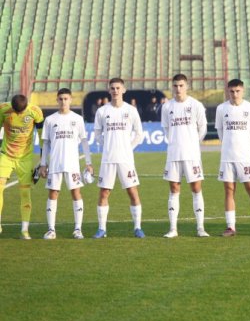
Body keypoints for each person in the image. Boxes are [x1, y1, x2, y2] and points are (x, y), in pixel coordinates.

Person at [215, 79, 250, 237]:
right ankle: (230, 227)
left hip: (245, 157)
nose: (234, 94)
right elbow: (220, 131)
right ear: (228, 92)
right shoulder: (221, 108)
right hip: (227, 157)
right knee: (229, 191)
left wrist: (246, 145)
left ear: (243, 91)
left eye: (237, 91)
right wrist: (227, 144)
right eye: (231, 91)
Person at [93, 78, 145, 238]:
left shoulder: (131, 110)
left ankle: (137, 228)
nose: (115, 91)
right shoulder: (102, 111)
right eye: (112, 88)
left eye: (118, 88)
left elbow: (139, 134)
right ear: (109, 90)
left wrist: (127, 148)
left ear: (124, 90)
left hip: (126, 160)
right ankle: (102, 229)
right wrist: (108, 146)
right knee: (104, 193)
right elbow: (97, 134)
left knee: (132, 192)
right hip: (108, 159)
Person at [39, 88, 93, 239]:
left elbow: (84, 141)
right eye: (61, 99)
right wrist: (43, 164)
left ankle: (78, 229)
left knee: (76, 193)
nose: (63, 101)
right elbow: (46, 143)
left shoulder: (77, 119)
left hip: (72, 164)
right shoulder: (50, 120)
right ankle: (51, 230)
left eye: (66, 98)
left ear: (71, 100)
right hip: (55, 163)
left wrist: (88, 163)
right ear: (57, 100)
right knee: (53, 193)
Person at [161, 74, 208, 238]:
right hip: (173, 154)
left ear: (186, 86)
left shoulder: (196, 105)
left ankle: (200, 228)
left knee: (196, 189)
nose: (178, 89)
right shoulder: (167, 107)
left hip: (192, 155)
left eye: (181, 85)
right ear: (172, 87)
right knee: (174, 190)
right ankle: (173, 228)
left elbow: (202, 129)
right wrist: (176, 142)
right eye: (175, 86)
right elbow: (166, 129)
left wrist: (193, 143)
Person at [0, 94, 43, 239]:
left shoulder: (35, 112)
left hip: (25, 158)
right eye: (16, 112)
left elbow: (42, 136)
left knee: (25, 193)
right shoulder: (3, 109)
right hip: (5, 155)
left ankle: (25, 230)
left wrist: (43, 159)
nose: (18, 114)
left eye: (21, 112)